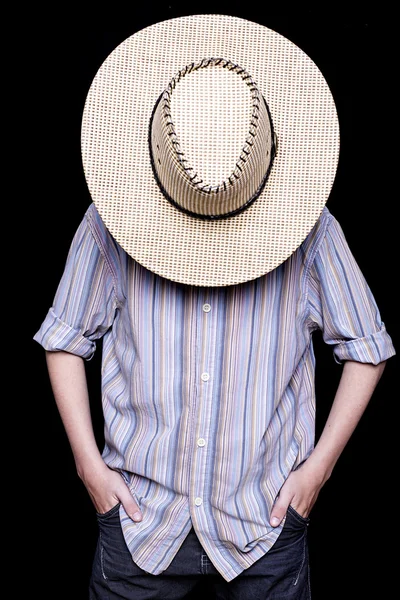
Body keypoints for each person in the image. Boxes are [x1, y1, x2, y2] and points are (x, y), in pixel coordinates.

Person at [33, 15, 395, 600]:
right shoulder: (108, 222)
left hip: (264, 525)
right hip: (140, 522)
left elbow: (368, 348)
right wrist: (89, 468)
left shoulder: (311, 231)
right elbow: (64, 337)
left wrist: (318, 470)